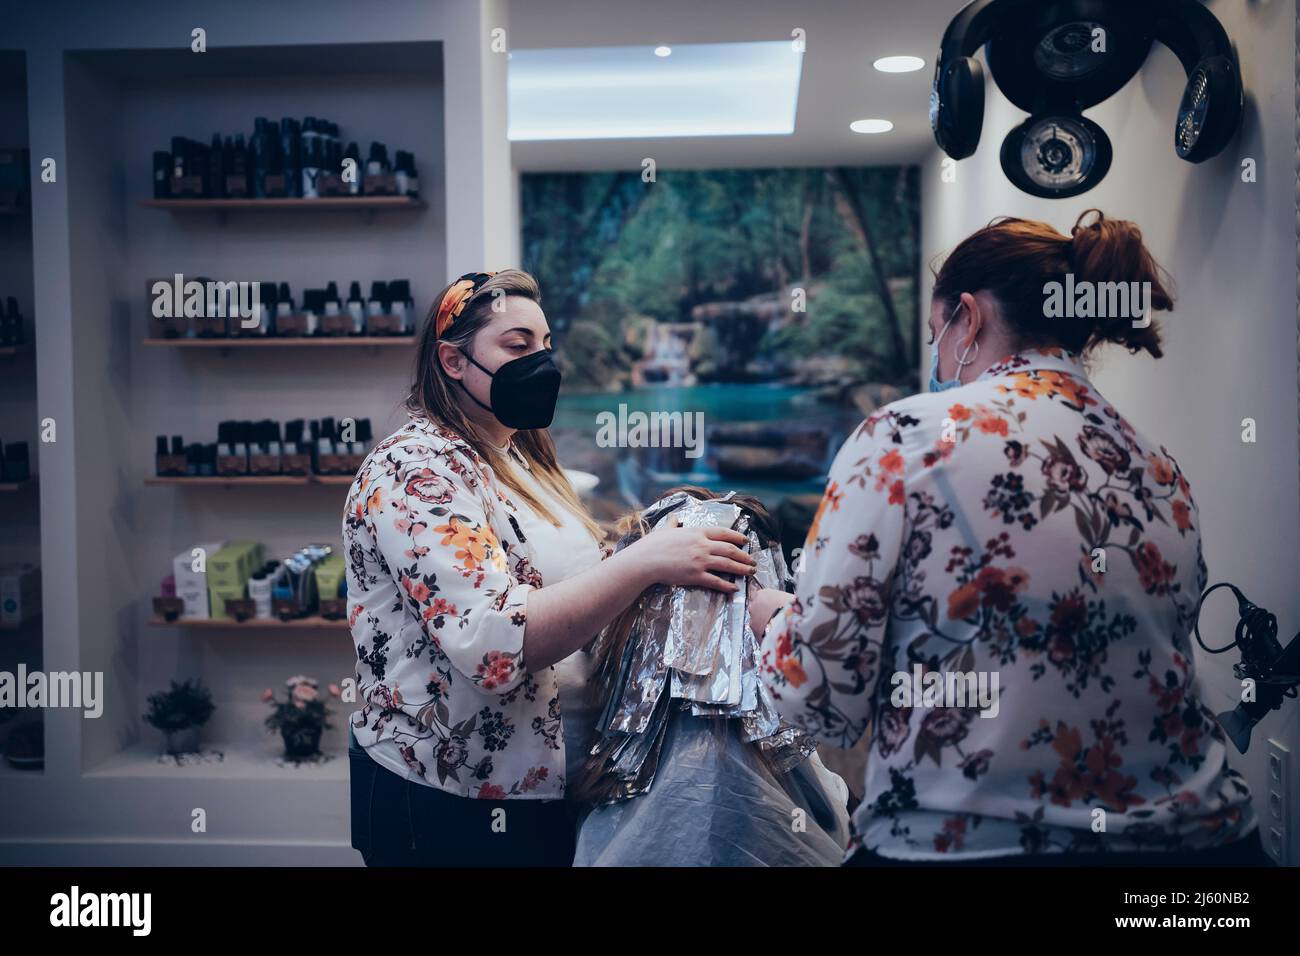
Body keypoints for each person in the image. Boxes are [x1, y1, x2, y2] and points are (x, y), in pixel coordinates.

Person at [749, 210, 1268, 866]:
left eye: (939, 335)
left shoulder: (904, 436)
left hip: (970, 844)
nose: (941, 362)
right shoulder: (1157, 462)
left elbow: (817, 700)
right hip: (1210, 852)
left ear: (969, 318)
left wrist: (772, 617)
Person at [343, 269, 756, 866]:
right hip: (450, 796)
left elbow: (574, 578)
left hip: (546, 782)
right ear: (454, 362)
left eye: (545, 345)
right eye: (517, 346)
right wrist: (646, 562)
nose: (541, 362)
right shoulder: (415, 472)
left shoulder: (520, 455)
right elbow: (495, 645)